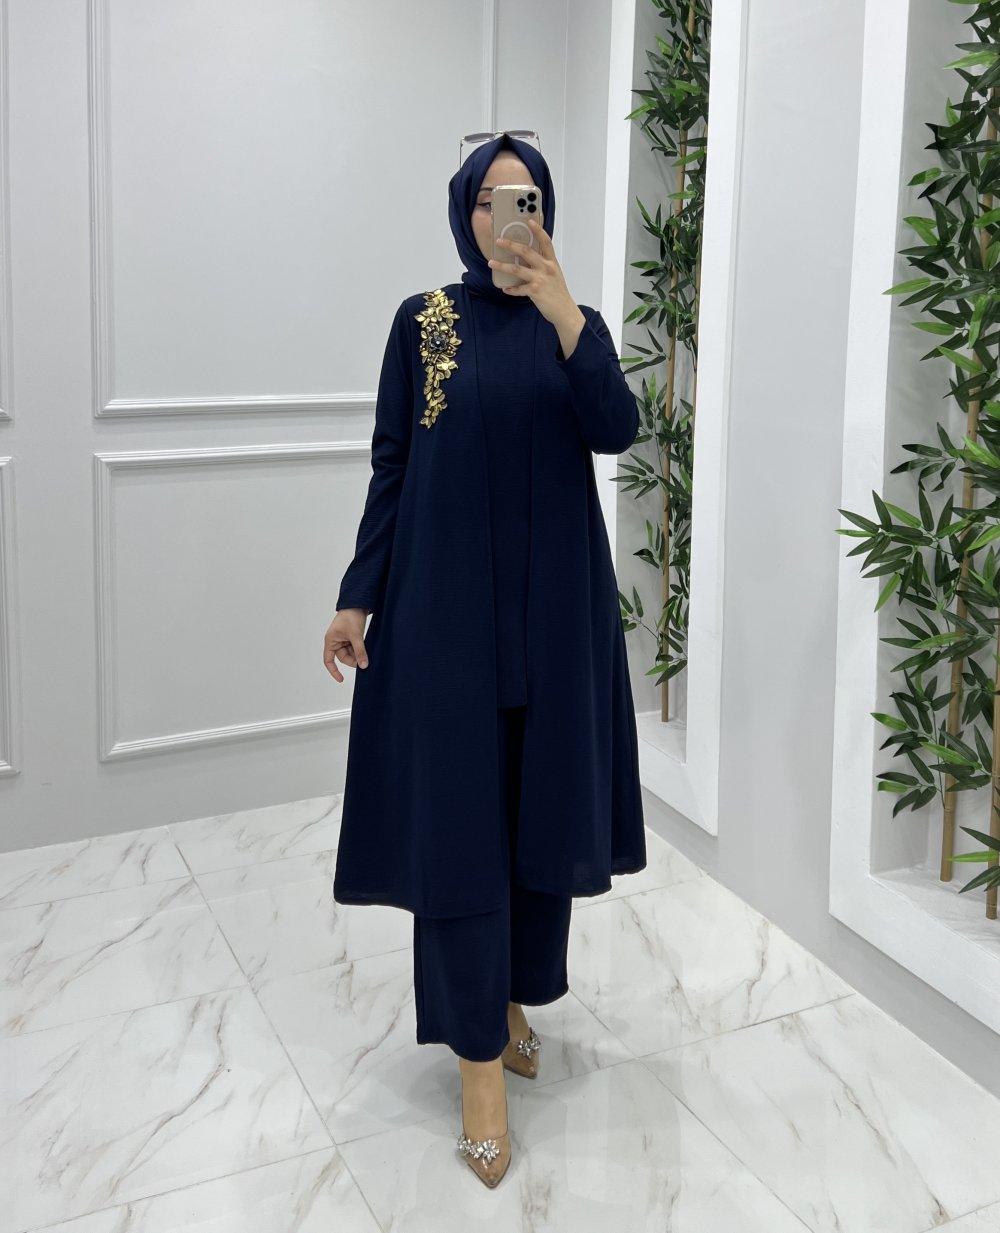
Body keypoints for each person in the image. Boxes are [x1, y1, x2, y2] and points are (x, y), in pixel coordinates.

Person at [322, 131, 647, 1187]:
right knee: (460, 831)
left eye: (529, 198)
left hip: (555, 620)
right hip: (446, 623)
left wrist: (564, 312)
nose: (509, 216)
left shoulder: (574, 326)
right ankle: (477, 1072)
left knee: (538, 818)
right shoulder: (422, 322)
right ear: (465, 213)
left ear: (546, 214)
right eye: (491, 200)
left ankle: (509, 1001)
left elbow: (616, 428)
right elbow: (392, 464)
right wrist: (357, 594)